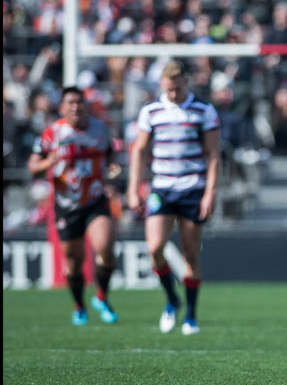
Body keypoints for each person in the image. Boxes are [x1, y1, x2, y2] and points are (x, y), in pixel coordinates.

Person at [127, 60, 221, 336]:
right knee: (154, 248)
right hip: (162, 188)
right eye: (168, 90)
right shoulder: (151, 111)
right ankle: (172, 299)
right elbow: (140, 151)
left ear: (185, 83)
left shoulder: (203, 110)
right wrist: (134, 188)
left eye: (176, 89)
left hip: (192, 188)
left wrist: (210, 192)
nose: (172, 95)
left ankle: (191, 315)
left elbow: (214, 155)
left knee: (190, 253)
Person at [27, 86, 120, 326]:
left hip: (95, 200)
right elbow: (32, 165)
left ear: (86, 105)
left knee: (106, 247)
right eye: (70, 103)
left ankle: (102, 297)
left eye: (79, 102)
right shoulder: (52, 133)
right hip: (67, 205)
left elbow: (110, 155)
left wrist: (112, 169)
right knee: (74, 262)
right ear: (62, 108)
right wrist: (49, 161)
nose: (76, 107)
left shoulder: (100, 128)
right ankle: (79, 305)